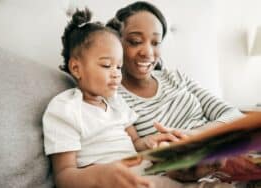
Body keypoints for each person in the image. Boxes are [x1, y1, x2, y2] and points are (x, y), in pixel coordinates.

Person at [42, 8, 187, 188]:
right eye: (107, 65)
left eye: (119, 67)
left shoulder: (116, 102)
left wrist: (149, 142)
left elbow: (135, 142)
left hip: (142, 173)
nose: (116, 74)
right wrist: (100, 176)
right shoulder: (65, 108)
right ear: (76, 68)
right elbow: (64, 176)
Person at [106, 0, 244, 185]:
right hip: (188, 168)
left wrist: (195, 136)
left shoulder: (175, 77)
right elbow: (132, 151)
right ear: (116, 42)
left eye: (155, 42)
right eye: (135, 41)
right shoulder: (112, 95)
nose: (148, 52)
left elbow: (233, 114)